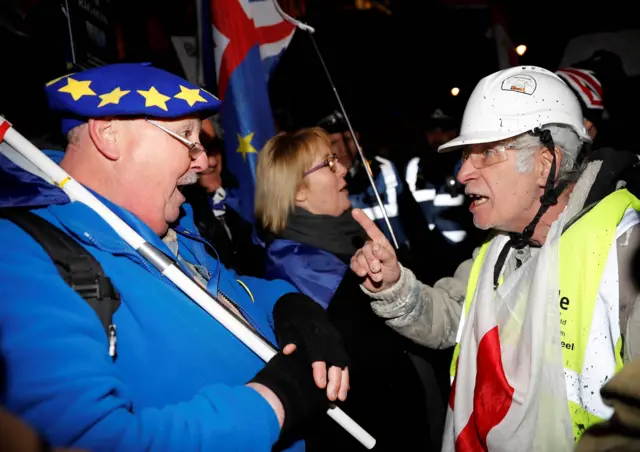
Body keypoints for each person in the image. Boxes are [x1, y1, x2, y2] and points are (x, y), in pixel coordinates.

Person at [0, 63, 350, 452]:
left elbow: (224, 289)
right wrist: (272, 404)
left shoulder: (173, 225)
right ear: (109, 133)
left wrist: (286, 302)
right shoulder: (21, 254)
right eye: (186, 136)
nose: (201, 161)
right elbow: (90, 441)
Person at [349, 66, 640, 450]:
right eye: (467, 155)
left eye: (485, 153)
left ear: (545, 162)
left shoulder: (625, 249)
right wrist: (392, 286)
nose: (463, 172)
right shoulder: (498, 248)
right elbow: (450, 318)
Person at [255, 127, 444, 451]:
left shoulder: (349, 237)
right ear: (298, 191)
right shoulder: (298, 267)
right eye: (329, 163)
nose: (342, 167)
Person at [404, 108, 484, 283]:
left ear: (455, 132)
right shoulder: (414, 167)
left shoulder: (466, 166)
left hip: (463, 254)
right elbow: (409, 212)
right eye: (432, 131)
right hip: (426, 257)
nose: (437, 136)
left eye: (444, 130)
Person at [182, 116, 266, 277]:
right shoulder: (181, 219)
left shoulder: (237, 201)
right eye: (197, 150)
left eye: (213, 148)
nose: (211, 161)